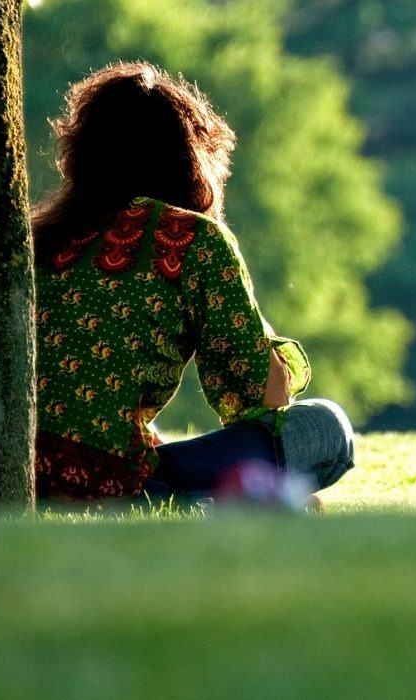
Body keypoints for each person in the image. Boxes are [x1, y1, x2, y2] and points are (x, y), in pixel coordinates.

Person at [30, 61, 354, 504]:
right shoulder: (187, 236)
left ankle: (207, 499)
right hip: (110, 486)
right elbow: (260, 394)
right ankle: (220, 500)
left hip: (20, 472)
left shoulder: (39, 236)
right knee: (326, 428)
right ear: (190, 159)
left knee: (152, 443)